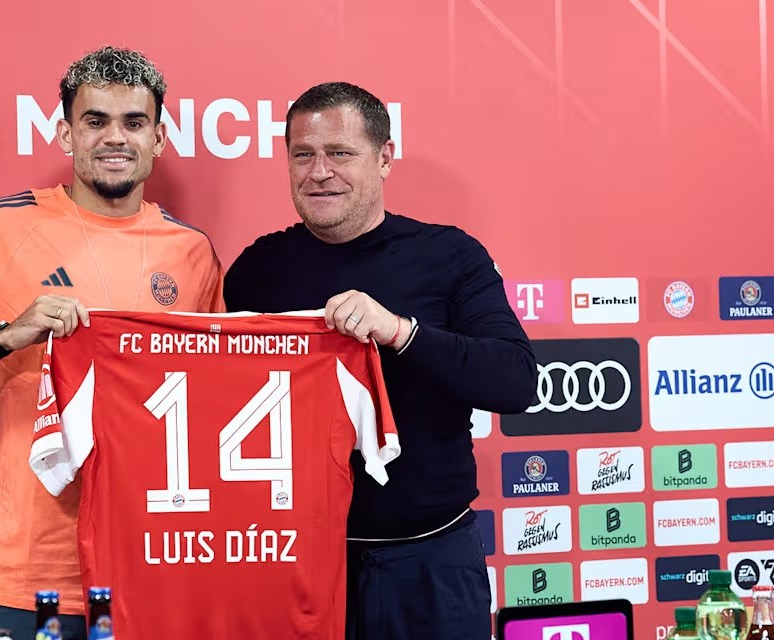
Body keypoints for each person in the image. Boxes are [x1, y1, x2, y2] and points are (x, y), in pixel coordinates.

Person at [0, 46, 225, 640]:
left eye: (134, 122)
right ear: (64, 133)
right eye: (95, 120)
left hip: (150, 567)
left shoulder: (193, 251)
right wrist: (7, 338)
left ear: (158, 139)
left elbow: (213, 405)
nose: (115, 138)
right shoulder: (0, 228)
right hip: (25, 574)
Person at [223, 81, 538, 639]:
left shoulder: (448, 254)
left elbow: (515, 381)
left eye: (340, 153)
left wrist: (400, 332)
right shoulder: (256, 270)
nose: (319, 171)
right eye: (303, 154)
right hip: (299, 564)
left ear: (384, 158)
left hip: (431, 562)